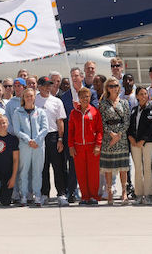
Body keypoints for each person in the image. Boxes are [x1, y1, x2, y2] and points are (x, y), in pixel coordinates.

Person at [61, 67, 98, 203]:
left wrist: (80, 106)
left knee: (89, 169)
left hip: (89, 138)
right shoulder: (65, 96)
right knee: (74, 167)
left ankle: (90, 194)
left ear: (82, 77)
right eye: (72, 76)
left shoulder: (91, 93)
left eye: (76, 76)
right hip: (73, 138)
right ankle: (72, 192)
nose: (74, 78)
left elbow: (94, 110)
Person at [12, 87, 49, 206]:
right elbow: (17, 130)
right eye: (27, 96)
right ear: (23, 98)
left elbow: (45, 128)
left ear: (34, 97)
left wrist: (37, 140)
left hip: (38, 145)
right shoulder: (18, 112)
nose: (29, 98)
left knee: (37, 171)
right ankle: (24, 195)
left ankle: (37, 195)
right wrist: (28, 140)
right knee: (24, 171)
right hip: (25, 145)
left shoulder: (41, 111)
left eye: (31, 96)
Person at [36, 76, 68, 206]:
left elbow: (60, 121)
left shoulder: (56, 101)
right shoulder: (35, 100)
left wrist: (60, 139)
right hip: (39, 136)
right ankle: (44, 194)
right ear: (39, 86)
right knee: (43, 167)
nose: (47, 87)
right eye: (44, 85)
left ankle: (61, 193)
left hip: (53, 136)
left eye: (49, 85)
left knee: (58, 166)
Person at [99, 77, 131, 205]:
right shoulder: (103, 103)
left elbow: (127, 120)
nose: (113, 88)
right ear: (107, 88)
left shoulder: (124, 103)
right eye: (110, 86)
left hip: (121, 137)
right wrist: (111, 134)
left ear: (119, 87)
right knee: (109, 167)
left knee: (123, 167)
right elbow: (101, 121)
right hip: (108, 137)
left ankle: (124, 192)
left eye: (115, 85)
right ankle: (109, 192)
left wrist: (118, 135)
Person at [68, 87, 102, 204]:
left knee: (93, 173)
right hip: (78, 147)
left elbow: (99, 130)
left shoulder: (95, 111)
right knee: (81, 172)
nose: (84, 99)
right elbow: (71, 131)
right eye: (82, 97)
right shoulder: (74, 113)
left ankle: (94, 196)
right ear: (79, 98)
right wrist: (71, 146)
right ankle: (85, 196)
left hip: (92, 147)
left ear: (90, 97)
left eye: (87, 96)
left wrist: (98, 145)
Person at [127, 86, 152, 204]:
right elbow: (130, 126)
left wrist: (143, 140)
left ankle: (149, 194)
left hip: (148, 143)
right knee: (138, 169)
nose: (143, 96)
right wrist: (131, 138)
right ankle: (139, 194)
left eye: (145, 94)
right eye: (141, 94)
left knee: (147, 168)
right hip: (134, 144)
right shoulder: (134, 110)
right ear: (137, 96)